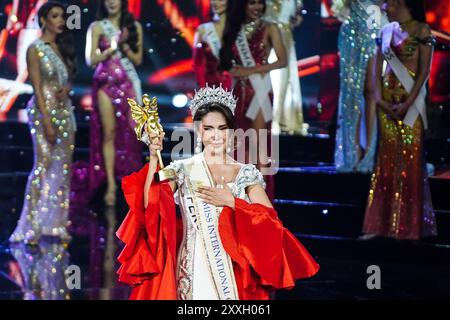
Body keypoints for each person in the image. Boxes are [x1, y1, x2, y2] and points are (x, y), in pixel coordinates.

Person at [116, 85, 319, 300]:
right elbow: (150, 206)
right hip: (191, 270)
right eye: (209, 128)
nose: (216, 135)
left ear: (231, 130)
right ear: (198, 129)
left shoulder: (246, 173)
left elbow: (272, 224)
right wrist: (154, 157)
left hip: (232, 273)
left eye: (222, 128)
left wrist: (234, 203)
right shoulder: (182, 169)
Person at [362, 0, 437, 240]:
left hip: (410, 104)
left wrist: (407, 103)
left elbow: (424, 72)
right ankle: (379, 226)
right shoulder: (385, 31)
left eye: (388, 1)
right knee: (385, 163)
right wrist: (378, 99)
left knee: (409, 162)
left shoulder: (422, 31)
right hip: (386, 102)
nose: (384, 5)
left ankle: (406, 226)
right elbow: (376, 71)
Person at [9, 1, 77, 244]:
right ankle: (31, 227)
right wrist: (47, 122)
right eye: (55, 16)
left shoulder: (60, 48)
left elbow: (66, 81)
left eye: (62, 16)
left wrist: (66, 88)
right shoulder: (35, 48)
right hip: (43, 113)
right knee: (43, 165)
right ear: (44, 19)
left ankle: (55, 224)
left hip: (65, 113)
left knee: (63, 168)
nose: (60, 21)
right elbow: (37, 88)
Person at [219, 0, 287, 202]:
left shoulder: (270, 27)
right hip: (238, 91)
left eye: (259, 3)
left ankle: (261, 201)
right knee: (240, 145)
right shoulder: (234, 28)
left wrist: (251, 70)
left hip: (260, 90)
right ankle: (241, 197)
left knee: (259, 146)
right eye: (251, 3)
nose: (256, 8)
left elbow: (282, 60)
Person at [85, 0, 143, 206]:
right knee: (108, 134)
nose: (111, 2)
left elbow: (137, 59)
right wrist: (112, 47)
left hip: (127, 84)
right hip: (105, 84)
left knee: (132, 133)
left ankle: (132, 184)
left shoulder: (134, 26)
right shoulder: (97, 27)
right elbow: (90, 59)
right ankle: (110, 184)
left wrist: (125, 46)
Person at [333, 0, 386, 172]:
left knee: (371, 90)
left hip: (373, 27)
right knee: (351, 94)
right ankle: (353, 150)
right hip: (351, 32)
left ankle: (370, 151)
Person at [265, 0, 307, 135]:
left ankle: (280, 118)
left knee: (285, 77)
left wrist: (294, 18)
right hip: (268, 34)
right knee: (273, 76)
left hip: (285, 34)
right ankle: (269, 118)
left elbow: (298, 15)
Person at [193, 0, 232, 89]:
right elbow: (197, 64)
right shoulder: (202, 30)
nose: (216, 3)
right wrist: (203, 87)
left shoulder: (239, 29)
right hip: (210, 87)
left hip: (236, 86)